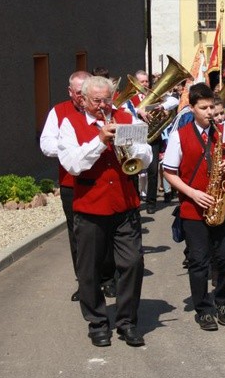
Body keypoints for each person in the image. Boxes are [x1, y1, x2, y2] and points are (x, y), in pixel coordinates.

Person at [58, 76, 152, 347]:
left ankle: (127, 322)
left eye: (107, 100)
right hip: (90, 207)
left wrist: (133, 148)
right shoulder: (70, 124)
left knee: (133, 263)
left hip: (125, 204)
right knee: (89, 269)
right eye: (96, 101)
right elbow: (73, 164)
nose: (102, 105)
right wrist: (99, 141)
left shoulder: (126, 117)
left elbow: (146, 155)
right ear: (84, 100)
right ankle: (98, 322)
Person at [163, 83, 225, 331]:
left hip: (223, 205)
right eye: (203, 108)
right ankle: (203, 309)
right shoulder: (180, 135)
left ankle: (222, 301)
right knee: (199, 260)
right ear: (192, 108)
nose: (209, 112)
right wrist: (193, 194)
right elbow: (168, 172)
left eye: (212, 107)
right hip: (193, 207)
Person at [40, 70, 115, 301]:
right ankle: (85, 283)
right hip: (72, 182)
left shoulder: (106, 110)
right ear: (71, 92)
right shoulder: (59, 112)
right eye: (78, 93)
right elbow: (46, 145)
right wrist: (71, 147)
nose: (82, 98)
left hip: (105, 180)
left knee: (108, 231)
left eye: (86, 92)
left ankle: (109, 278)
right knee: (79, 235)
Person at [127, 70, 179, 214]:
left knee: (153, 170)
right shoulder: (130, 96)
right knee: (134, 170)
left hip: (153, 136)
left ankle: (151, 202)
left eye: (146, 81)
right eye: (142, 81)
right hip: (136, 136)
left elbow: (175, 100)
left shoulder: (154, 94)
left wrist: (161, 106)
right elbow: (122, 109)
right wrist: (139, 111)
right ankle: (135, 202)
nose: (145, 84)